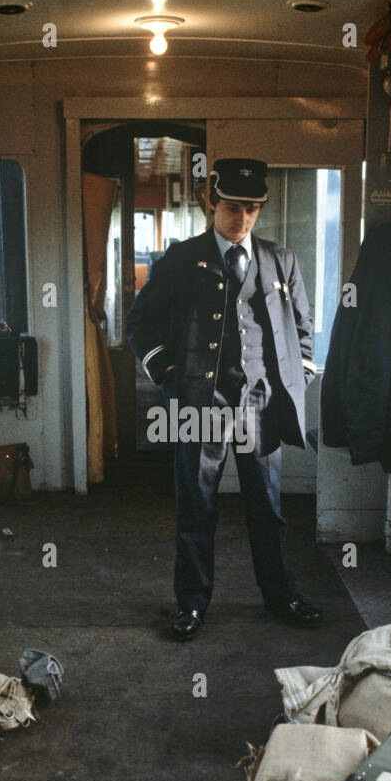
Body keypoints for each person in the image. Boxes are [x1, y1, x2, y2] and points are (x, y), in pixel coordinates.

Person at [126, 157, 323, 641]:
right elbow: (141, 324)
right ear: (213, 202)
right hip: (201, 403)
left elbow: (302, 327)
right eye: (234, 207)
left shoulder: (281, 260)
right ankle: (191, 604)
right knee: (197, 505)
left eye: (253, 208)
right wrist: (169, 375)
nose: (244, 218)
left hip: (260, 402)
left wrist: (297, 374)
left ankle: (281, 596)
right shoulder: (180, 258)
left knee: (268, 508)